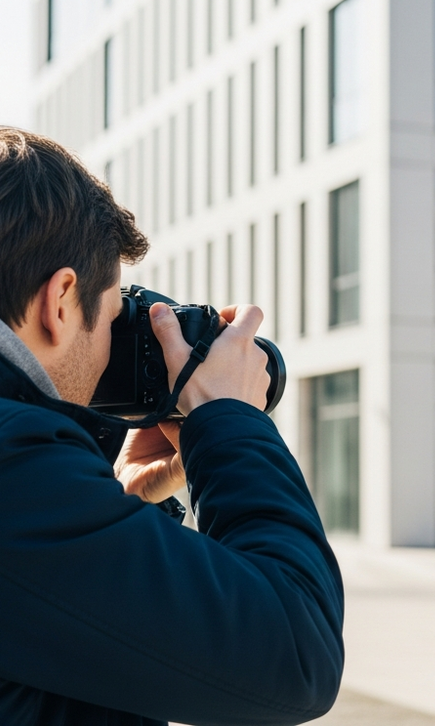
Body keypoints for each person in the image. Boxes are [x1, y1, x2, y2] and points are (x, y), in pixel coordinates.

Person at [0, 128, 343, 724]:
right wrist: (231, 420)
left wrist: (116, 510)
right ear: (60, 301)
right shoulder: (14, 468)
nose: (110, 351)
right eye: (112, 318)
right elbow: (294, 653)